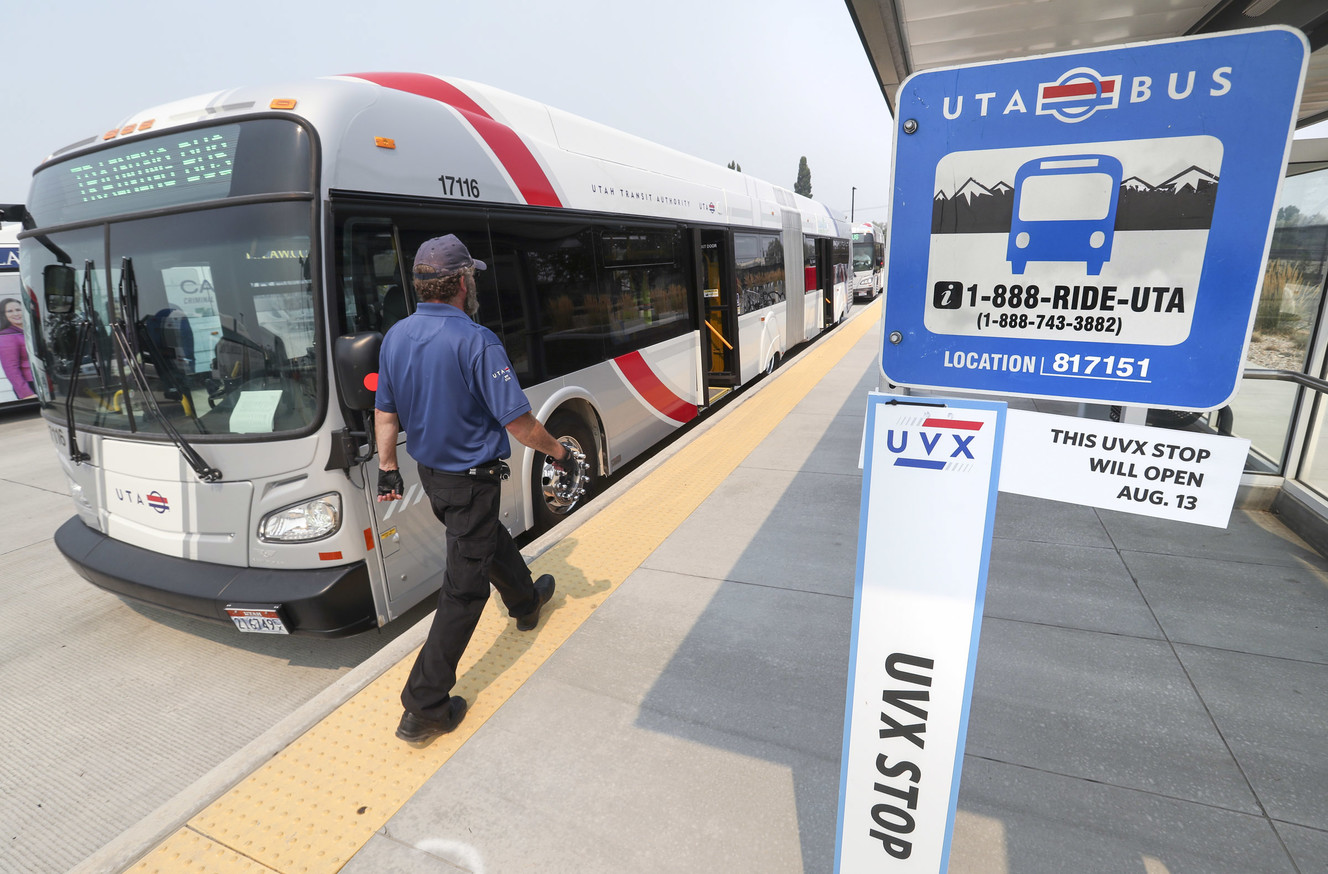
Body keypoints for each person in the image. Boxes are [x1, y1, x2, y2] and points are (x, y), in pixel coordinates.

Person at [374, 234, 577, 745]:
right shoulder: (477, 340)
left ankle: (527, 601)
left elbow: (385, 411)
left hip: (433, 480)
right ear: (463, 283)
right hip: (471, 482)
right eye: (473, 279)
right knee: (464, 588)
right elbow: (520, 424)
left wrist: (387, 466)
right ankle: (424, 705)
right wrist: (559, 452)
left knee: (484, 541)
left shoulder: (396, 336)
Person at [0, 297, 36, 399]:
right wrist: (27, 393)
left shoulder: (29, 330)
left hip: (42, 381)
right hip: (29, 385)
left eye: (18, 310)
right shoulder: (7, 336)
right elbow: (11, 369)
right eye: (10, 311)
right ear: (4, 315)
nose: (16, 314)